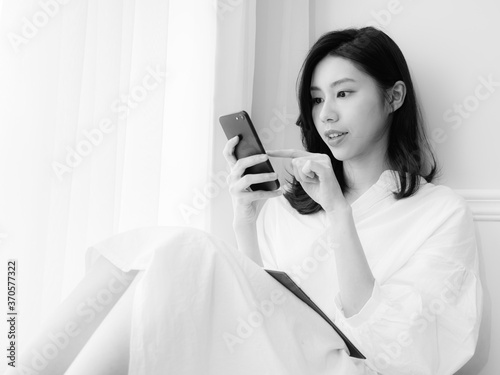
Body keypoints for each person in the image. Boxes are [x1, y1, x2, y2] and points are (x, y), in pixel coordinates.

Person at [10, 27, 482, 375]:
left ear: (394, 96)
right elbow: (256, 305)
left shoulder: (441, 213)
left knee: (182, 249)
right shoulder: (294, 204)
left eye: (344, 93)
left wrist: (340, 213)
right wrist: (247, 220)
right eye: (316, 100)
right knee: (149, 262)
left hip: (350, 367)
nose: (326, 115)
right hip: (266, 353)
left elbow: (404, 353)